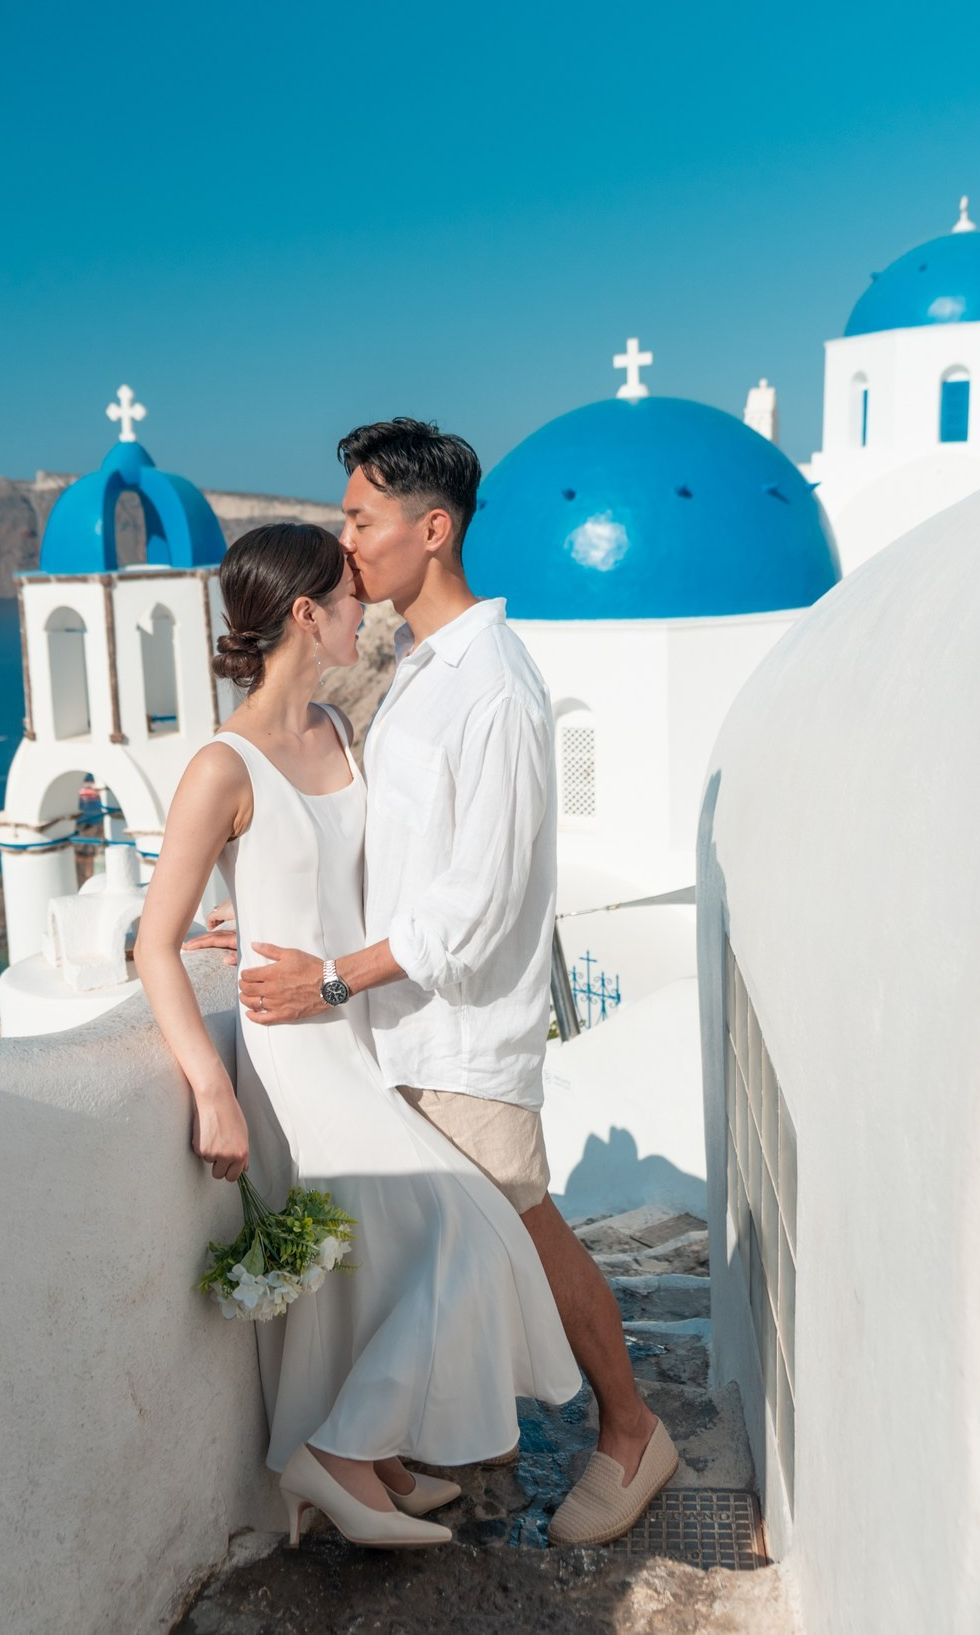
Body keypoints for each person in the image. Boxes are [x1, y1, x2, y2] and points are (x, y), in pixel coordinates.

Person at [233, 419, 680, 1548]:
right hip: (396, 1024)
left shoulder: (494, 690)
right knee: (447, 1243)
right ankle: (400, 1456)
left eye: (362, 520)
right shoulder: (420, 671)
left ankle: (630, 1432)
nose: (347, 544)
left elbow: (474, 905)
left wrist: (330, 980)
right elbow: (387, 855)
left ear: (431, 532)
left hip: (460, 1031)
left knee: (518, 1231)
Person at [134, 521, 579, 1550]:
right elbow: (154, 945)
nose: (363, 611)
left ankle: (368, 1458)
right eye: (344, 597)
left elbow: (345, 873)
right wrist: (210, 1088)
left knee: (388, 1263)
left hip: (357, 1028)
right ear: (303, 613)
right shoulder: (219, 767)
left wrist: (268, 917)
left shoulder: (338, 727)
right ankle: (335, 1457)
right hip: (292, 1060)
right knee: (471, 1233)